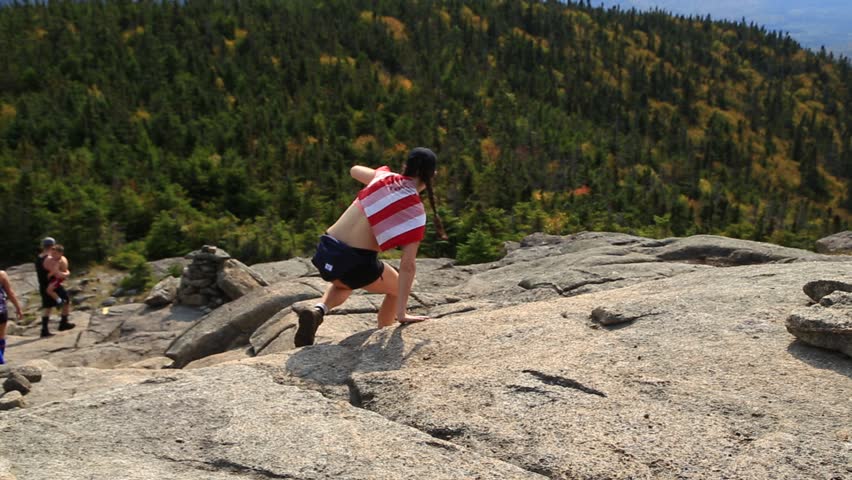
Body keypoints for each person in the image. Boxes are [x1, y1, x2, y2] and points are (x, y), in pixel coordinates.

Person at [295, 147, 448, 347]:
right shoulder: (414, 209)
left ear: (405, 167)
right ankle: (385, 332)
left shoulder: (382, 177)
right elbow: (408, 265)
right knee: (393, 288)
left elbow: (354, 170)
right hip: (357, 263)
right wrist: (403, 312)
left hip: (327, 251)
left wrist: (380, 177)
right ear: (432, 175)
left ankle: (318, 311)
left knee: (343, 281)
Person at [35, 237, 74, 337]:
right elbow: (57, 274)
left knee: (47, 307)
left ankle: (44, 329)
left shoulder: (39, 258)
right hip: (53, 285)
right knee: (66, 301)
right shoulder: (50, 259)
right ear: (53, 246)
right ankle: (63, 323)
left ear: (42, 246)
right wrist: (67, 273)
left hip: (43, 285)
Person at [0, 269, 24, 365]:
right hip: (1, 310)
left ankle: (1, 362)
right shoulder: (1, 274)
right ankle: (1, 362)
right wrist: (18, 308)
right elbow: (10, 293)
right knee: (1, 336)